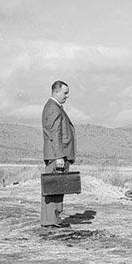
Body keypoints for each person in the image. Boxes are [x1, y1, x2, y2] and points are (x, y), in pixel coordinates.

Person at [41, 80, 76, 228]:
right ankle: (50, 221)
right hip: (57, 156)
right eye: (65, 93)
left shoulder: (54, 107)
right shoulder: (54, 108)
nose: (67, 96)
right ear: (56, 92)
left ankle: (53, 220)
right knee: (53, 189)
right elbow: (55, 134)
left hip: (58, 154)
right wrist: (59, 156)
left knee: (56, 188)